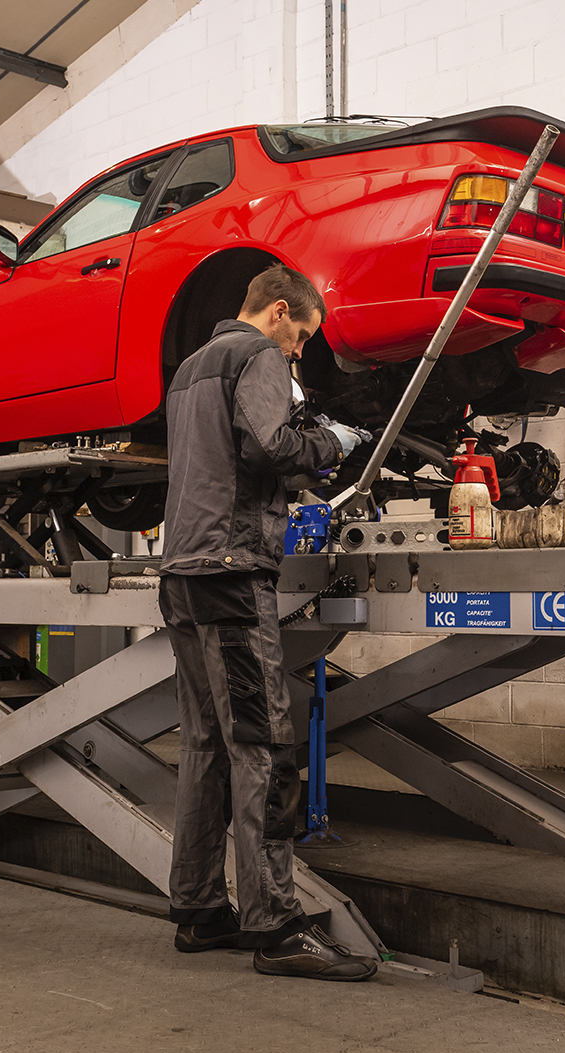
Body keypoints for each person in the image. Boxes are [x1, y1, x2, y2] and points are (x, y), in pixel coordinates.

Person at [157, 263, 376, 980]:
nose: (300, 353)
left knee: (205, 745)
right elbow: (269, 449)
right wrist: (334, 444)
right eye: (302, 336)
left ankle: (197, 910)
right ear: (278, 312)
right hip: (230, 575)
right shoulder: (256, 357)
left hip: (182, 573)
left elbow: (219, 457)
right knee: (265, 747)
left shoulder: (190, 367)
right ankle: (276, 927)